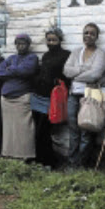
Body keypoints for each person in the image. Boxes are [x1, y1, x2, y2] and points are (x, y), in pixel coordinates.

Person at [63, 23, 105, 168]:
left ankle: (82, 165)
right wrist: (84, 70)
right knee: (73, 131)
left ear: (96, 37)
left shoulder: (100, 54)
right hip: (73, 95)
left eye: (92, 33)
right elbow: (66, 71)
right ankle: (72, 164)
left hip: (90, 97)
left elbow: (95, 74)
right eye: (86, 33)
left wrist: (76, 75)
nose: (88, 36)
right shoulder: (76, 52)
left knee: (86, 132)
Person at [32, 28, 71, 168]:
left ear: (60, 40)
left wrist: (59, 82)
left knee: (45, 130)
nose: (51, 42)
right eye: (49, 40)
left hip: (52, 97)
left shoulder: (66, 55)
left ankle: (50, 162)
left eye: (54, 40)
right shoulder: (46, 55)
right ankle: (40, 159)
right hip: (38, 95)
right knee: (38, 130)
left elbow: (68, 76)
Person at [0, 33, 38, 160]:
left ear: (28, 45)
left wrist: (11, 70)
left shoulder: (32, 58)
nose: (21, 46)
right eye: (18, 43)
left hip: (22, 98)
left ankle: (25, 155)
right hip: (6, 100)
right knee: (9, 130)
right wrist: (16, 70)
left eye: (23, 43)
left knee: (24, 130)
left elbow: (27, 71)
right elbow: (0, 72)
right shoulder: (10, 58)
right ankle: (9, 154)